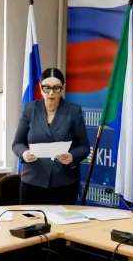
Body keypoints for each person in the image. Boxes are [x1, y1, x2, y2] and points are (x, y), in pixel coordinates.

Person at [12, 68, 90, 205]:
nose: (51, 93)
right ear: (40, 88)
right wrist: (24, 153)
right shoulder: (30, 109)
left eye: (56, 88)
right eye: (47, 88)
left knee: (62, 220)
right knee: (30, 219)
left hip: (64, 183)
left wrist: (71, 156)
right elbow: (17, 144)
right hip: (32, 182)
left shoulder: (73, 111)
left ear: (62, 88)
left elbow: (84, 147)